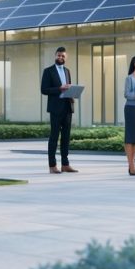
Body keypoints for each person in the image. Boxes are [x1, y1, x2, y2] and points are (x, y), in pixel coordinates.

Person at [40, 46, 78, 174]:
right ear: (55, 56)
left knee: (66, 137)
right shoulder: (48, 71)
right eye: (58, 55)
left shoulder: (67, 71)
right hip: (55, 108)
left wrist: (72, 93)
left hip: (67, 107)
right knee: (54, 137)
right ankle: (52, 165)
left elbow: (67, 87)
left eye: (63, 56)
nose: (60, 57)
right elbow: (44, 90)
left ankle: (65, 164)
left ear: (66, 57)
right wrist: (59, 89)